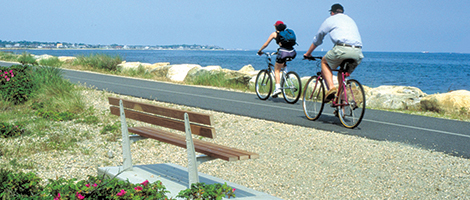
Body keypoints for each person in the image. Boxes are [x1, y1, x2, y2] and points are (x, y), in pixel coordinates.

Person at [303, 3, 364, 102]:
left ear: (332, 12)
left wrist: (308, 53)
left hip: (342, 49)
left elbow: (318, 38)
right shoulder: (350, 19)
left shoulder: (331, 19)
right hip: (358, 52)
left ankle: (331, 88)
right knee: (342, 75)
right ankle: (341, 109)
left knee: (324, 62)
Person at [258, 21, 297, 97]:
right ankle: (286, 74)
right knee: (282, 64)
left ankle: (277, 88)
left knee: (276, 69)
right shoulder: (288, 33)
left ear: (276, 27)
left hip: (283, 52)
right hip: (292, 52)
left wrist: (260, 50)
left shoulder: (275, 34)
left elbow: (266, 44)